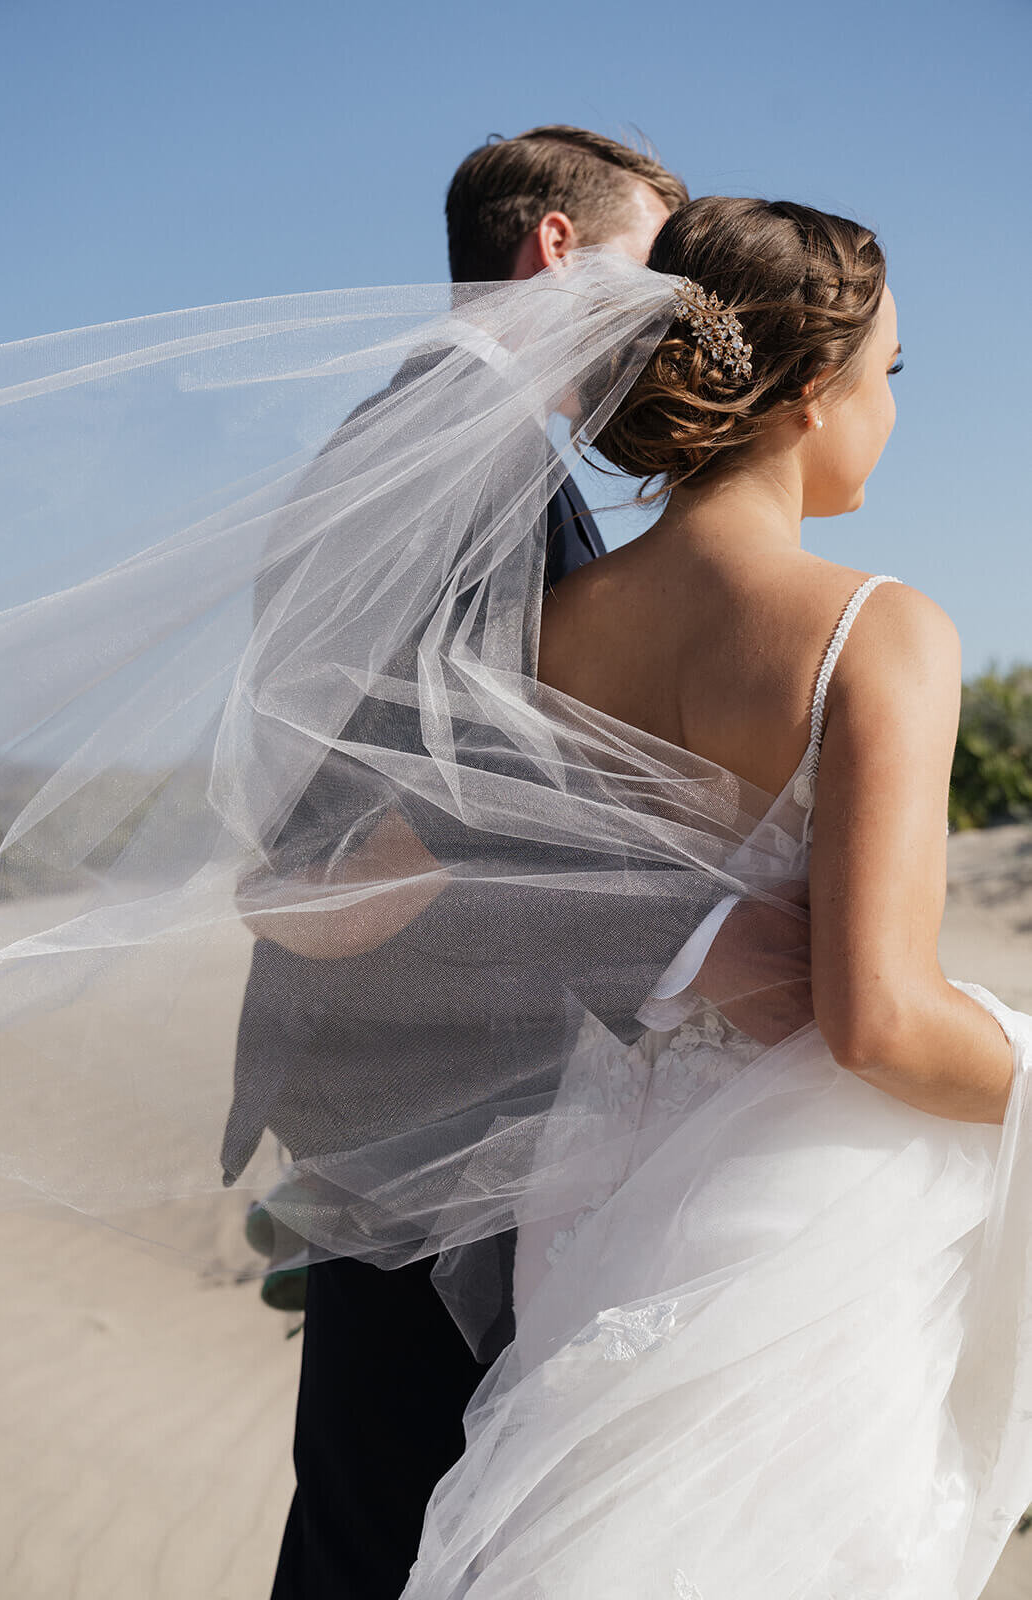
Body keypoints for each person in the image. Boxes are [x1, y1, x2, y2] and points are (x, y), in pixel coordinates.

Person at [394, 198, 1028, 1597]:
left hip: (591, 1185)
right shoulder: (881, 630)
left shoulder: (547, 632)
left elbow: (492, 900)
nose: (896, 414)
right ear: (810, 393)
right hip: (797, 1216)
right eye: (892, 375)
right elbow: (878, 1022)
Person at [225, 128, 812, 1600]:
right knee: (397, 1519)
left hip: (406, 1057)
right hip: (424, 1079)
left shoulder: (445, 437)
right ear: (557, 250)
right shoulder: (464, 450)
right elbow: (442, 790)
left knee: (404, 1508)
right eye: (654, 265)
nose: (680, 310)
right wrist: (698, 920)